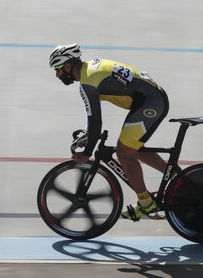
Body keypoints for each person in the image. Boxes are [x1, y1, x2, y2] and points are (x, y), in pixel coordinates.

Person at [49, 43, 169, 220]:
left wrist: (87, 152)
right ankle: (178, 180)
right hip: (151, 98)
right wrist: (88, 134)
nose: (57, 74)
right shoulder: (90, 69)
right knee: (134, 150)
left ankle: (146, 203)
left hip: (149, 102)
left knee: (124, 153)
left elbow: (96, 121)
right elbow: (93, 119)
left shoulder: (87, 83)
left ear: (67, 66)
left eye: (58, 69)